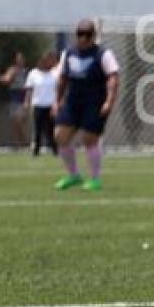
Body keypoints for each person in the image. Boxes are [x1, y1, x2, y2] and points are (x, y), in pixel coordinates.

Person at [53, 20, 120, 191]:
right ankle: (73, 175)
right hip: (73, 101)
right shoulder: (68, 53)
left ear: (94, 36)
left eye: (87, 34)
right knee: (60, 135)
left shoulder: (103, 54)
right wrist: (57, 100)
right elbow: (62, 78)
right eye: (80, 34)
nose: (83, 38)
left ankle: (95, 179)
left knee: (89, 139)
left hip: (95, 102)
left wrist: (109, 101)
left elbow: (113, 78)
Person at [23, 51, 59, 156]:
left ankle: (55, 150)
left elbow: (58, 90)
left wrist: (57, 103)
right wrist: (26, 102)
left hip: (50, 106)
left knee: (51, 129)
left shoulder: (55, 74)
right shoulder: (33, 74)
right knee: (38, 129)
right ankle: (36, 150)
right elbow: (29, 90)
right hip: (38, 105)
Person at [0, 51, 28, 148]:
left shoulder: (26, 71)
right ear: (16, 60)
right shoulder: (12, 69)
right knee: (16, 123)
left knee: (20, 122)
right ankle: (22, 144)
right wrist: (4, 78)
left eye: (22, 58)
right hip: (15, 98)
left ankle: (23, 143)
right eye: (19, 58)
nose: (20, 60)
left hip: (24, 98)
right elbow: (6, 79)